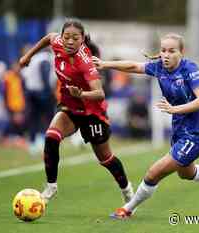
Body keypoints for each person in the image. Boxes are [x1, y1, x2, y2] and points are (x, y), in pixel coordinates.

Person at [92, 33, 199, 219]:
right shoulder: (159, 67)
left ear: (182, 52)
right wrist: (105, 64)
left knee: (153, 173)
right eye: (163, 50)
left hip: (196, 134)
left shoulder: (190, 69)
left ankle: (128, 209)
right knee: (187, 173)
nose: (166, 55)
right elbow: (134, 66)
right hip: (181, 131)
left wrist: (175, 109)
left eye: (172, 51)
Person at [19, 19, 134, 204]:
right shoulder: (57, 42)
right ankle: (51, 186)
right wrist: (29, 56)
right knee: (51, 137)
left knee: (105, 158)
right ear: (62, 37)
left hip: (92, 112)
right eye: (67, 37)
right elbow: (48, 38)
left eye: (75, 38)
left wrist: (81, 93)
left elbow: (100, 94)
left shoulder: (85, 61)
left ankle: (127, 190)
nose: (70, 41)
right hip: (69, 107)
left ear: (82, 40)